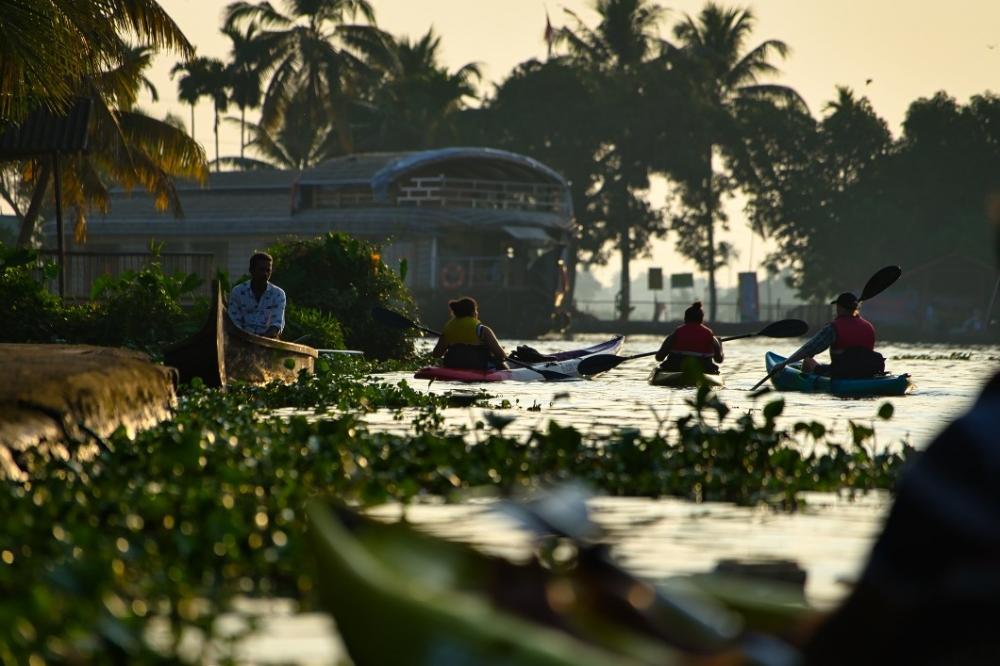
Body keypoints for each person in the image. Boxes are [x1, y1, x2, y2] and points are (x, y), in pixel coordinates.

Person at [773, 292, 884, 379]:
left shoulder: (834, 328)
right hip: (867, 372)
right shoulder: (869, 327)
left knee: (807, 360)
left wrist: (784, 363)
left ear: (839, 308)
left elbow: (809, 349)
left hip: (841, 374)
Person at [431, 297, 509, 370]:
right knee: (499, 363)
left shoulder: (448, 329)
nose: (477, 312)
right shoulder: (482, 329)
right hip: (477, 366)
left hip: (452, 365)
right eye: (476, 310)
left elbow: (436, 354)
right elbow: (501, 355)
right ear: (473, 312)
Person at [654, 301, 724, 374]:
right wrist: (720, 344)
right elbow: (719, 360)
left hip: (676, 367)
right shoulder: (710, 335)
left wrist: (666, 349)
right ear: (701, 319)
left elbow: (659, 357)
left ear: (685, 318)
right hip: (703, 369)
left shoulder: (676, 333)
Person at [228, 252, 286, 338]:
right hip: (241, 339)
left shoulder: (278, 294)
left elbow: (276, 325)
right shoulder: (238, 292)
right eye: (261, 270)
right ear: (251, 270)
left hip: (268, 341)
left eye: (268, 270)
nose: (265, 274)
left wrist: (262, 341)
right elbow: (234, 323)